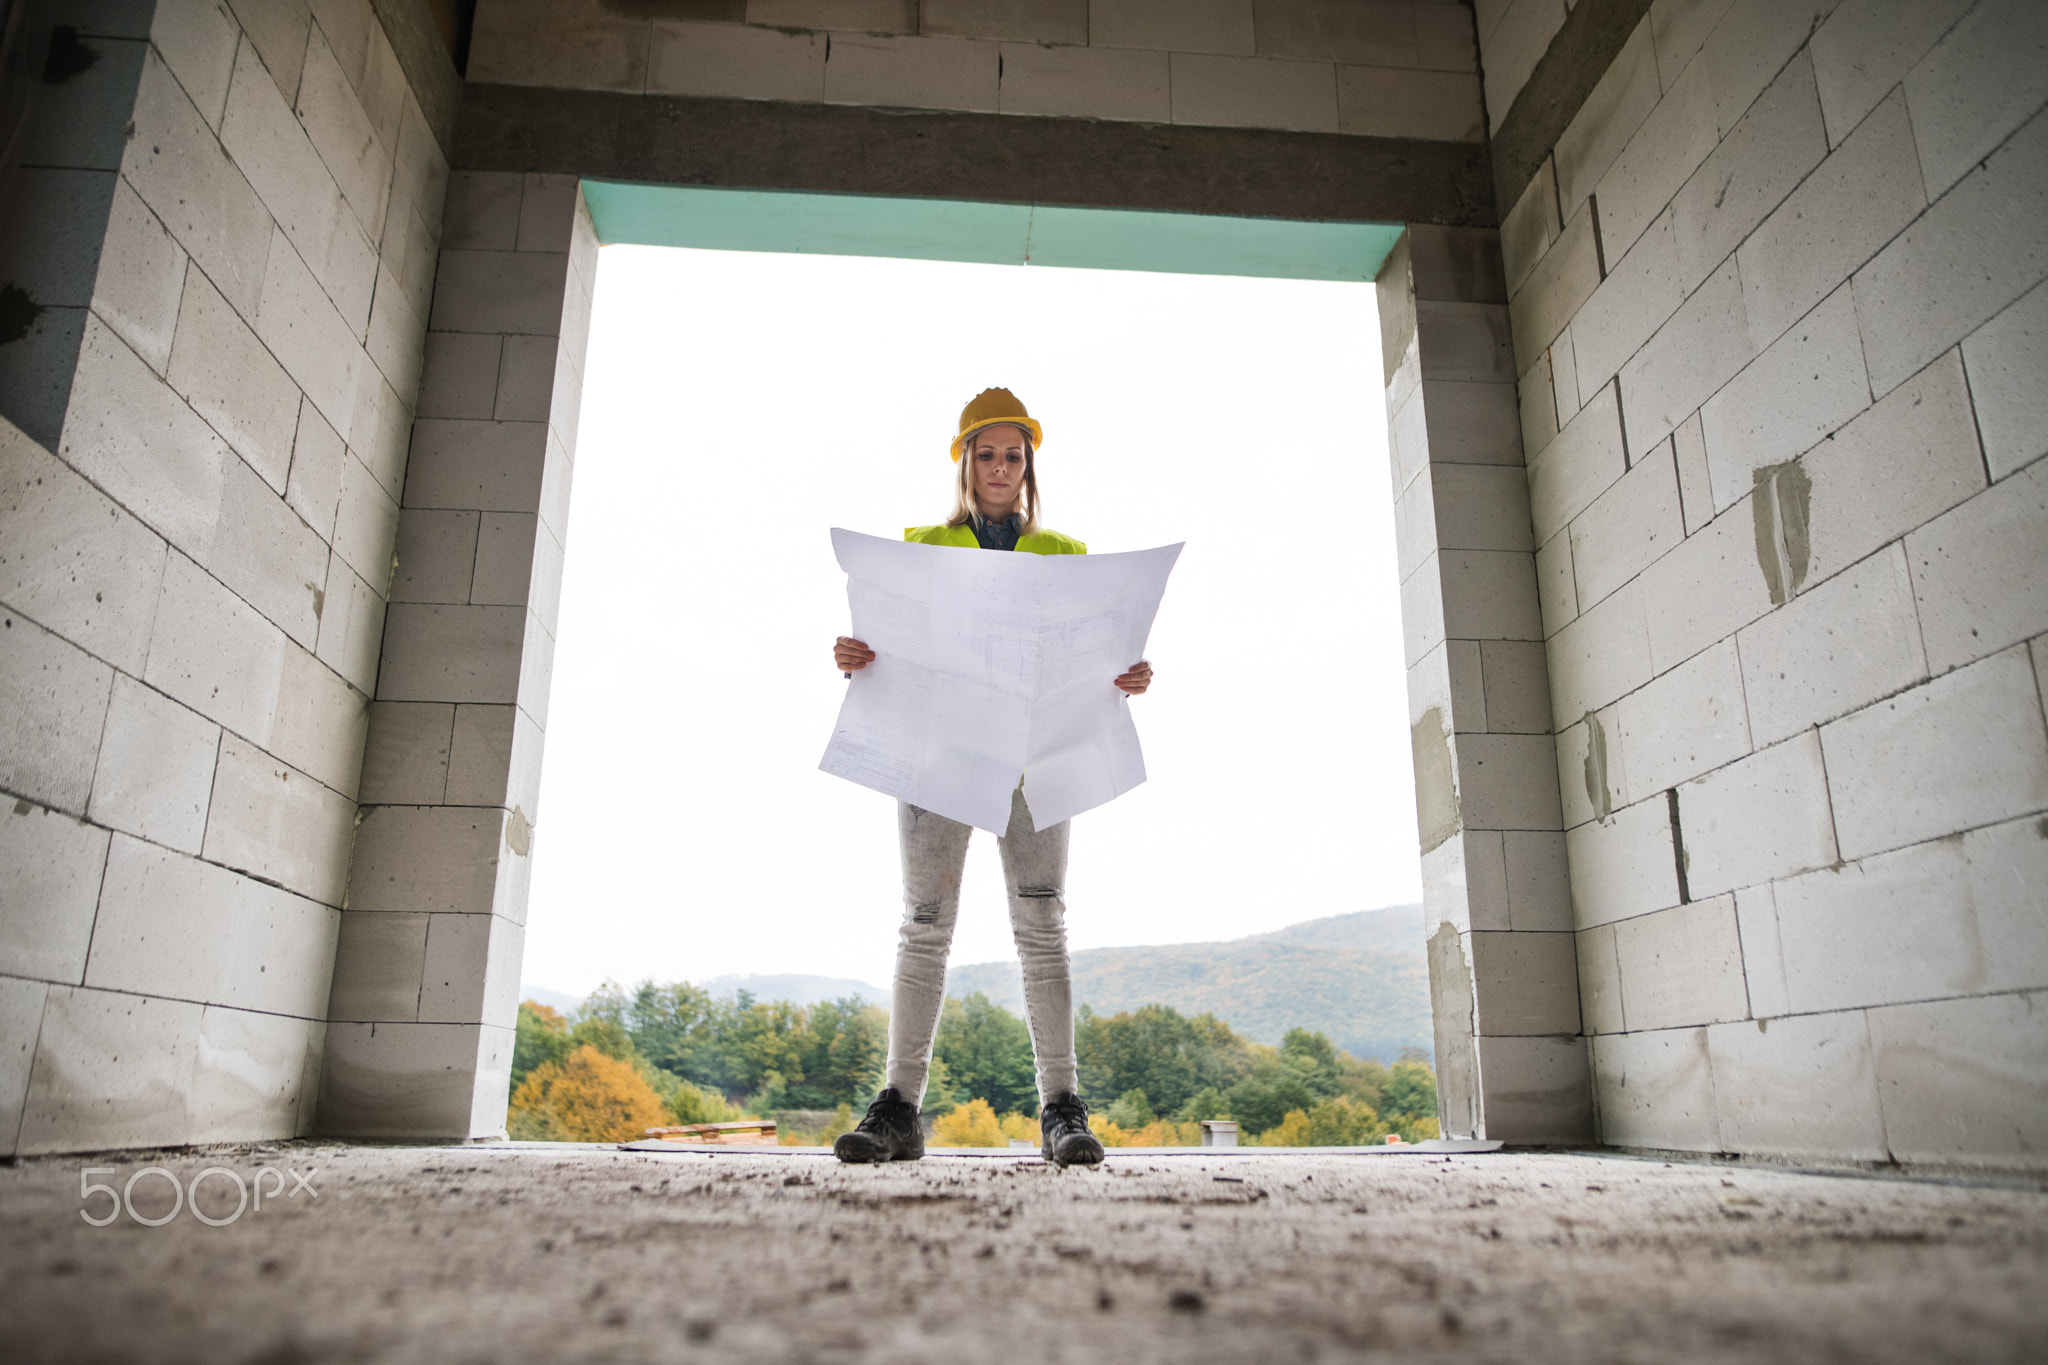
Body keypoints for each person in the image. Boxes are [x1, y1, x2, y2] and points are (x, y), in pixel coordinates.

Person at [829, 388, 1153, 1168]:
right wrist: (857, 656)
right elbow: (893, 646)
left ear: (1028, 466)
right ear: (965, 462)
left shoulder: (1067, 555)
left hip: (1033, 758)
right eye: (987, 453)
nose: (1000, 467)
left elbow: (1092, 658)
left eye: (1013, 455)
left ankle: (1061, 1109)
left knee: (1043, 928)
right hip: (940, 755)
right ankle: (899, 1108)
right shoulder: (919, 546)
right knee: (925, 925)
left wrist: (1126, 674)